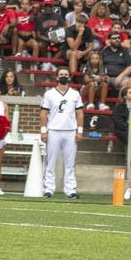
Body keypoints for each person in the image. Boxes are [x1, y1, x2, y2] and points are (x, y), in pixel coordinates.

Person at [39, 68, 85, 198]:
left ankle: (70, 189)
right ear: (57, 77)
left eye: (66, 74)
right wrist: (43, 131)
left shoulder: (75, 94)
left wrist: (80, 131)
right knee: (50, 161)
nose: (63, 76)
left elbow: (80, 113)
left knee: (70, 162)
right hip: (53, 130)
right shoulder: (49, 94)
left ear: (69, 77)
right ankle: (48, 189)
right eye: (61, 74)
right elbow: (43, 113)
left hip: (70, 131)